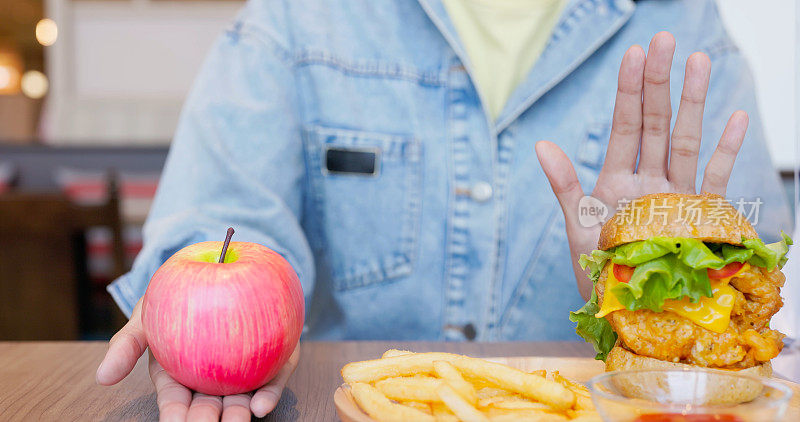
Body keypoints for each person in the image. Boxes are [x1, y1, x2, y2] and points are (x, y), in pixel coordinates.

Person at [95, 0, 791, 420]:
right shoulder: (296, 17)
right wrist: (209, 332)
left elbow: (758, 323)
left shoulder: (682, 21)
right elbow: (218, 218)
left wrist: (634, 293)